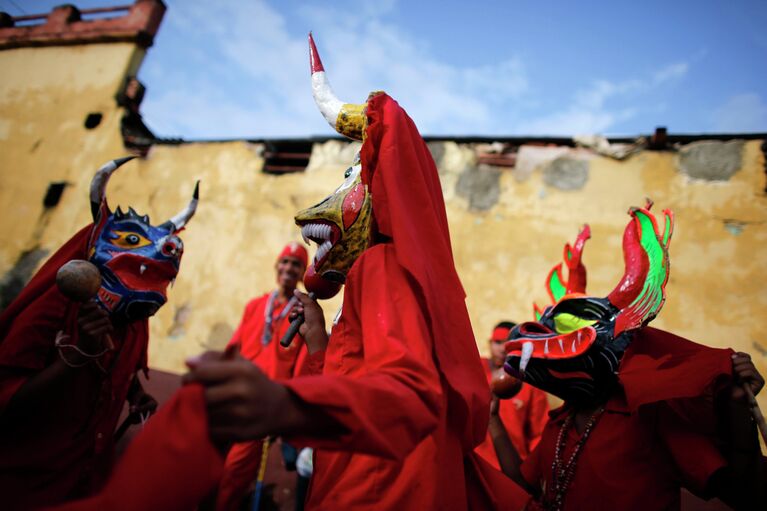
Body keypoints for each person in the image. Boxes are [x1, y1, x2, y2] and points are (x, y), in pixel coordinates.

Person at [498, 204, 766, 510]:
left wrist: (737, 409)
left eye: (567, 327)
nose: (535, 332)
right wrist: (491, 420)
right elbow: (523, 488)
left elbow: (743, 492)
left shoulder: (649, 417)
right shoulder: (560, 423)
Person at [0, 157, 199, 510]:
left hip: (86, 479)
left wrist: (134, 394)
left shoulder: (134, 321)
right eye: (132, 240)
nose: (169, 250)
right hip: (24, 482)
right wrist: (76, 357)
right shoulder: (54, 308)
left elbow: (115, 368)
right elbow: (8, 405)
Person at [216, 241, 309, 511]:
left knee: (235, 472)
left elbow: (301, 372)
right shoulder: (255, 306)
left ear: (303, 272)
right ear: (276, 266)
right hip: (233, 398)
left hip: (261, 410)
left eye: (296, 264)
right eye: (285, 262)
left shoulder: (302, 315)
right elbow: (232, 351)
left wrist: (282, 414)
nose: (289, 268)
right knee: (209, 463)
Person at [474, 321, 549, 469]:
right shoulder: (474, 369)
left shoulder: (529, 382)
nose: (502, 349)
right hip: (475, 468)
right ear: (490, 343)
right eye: (497, 342)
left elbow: (539, 435)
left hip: (513, 470)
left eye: (508, 344)